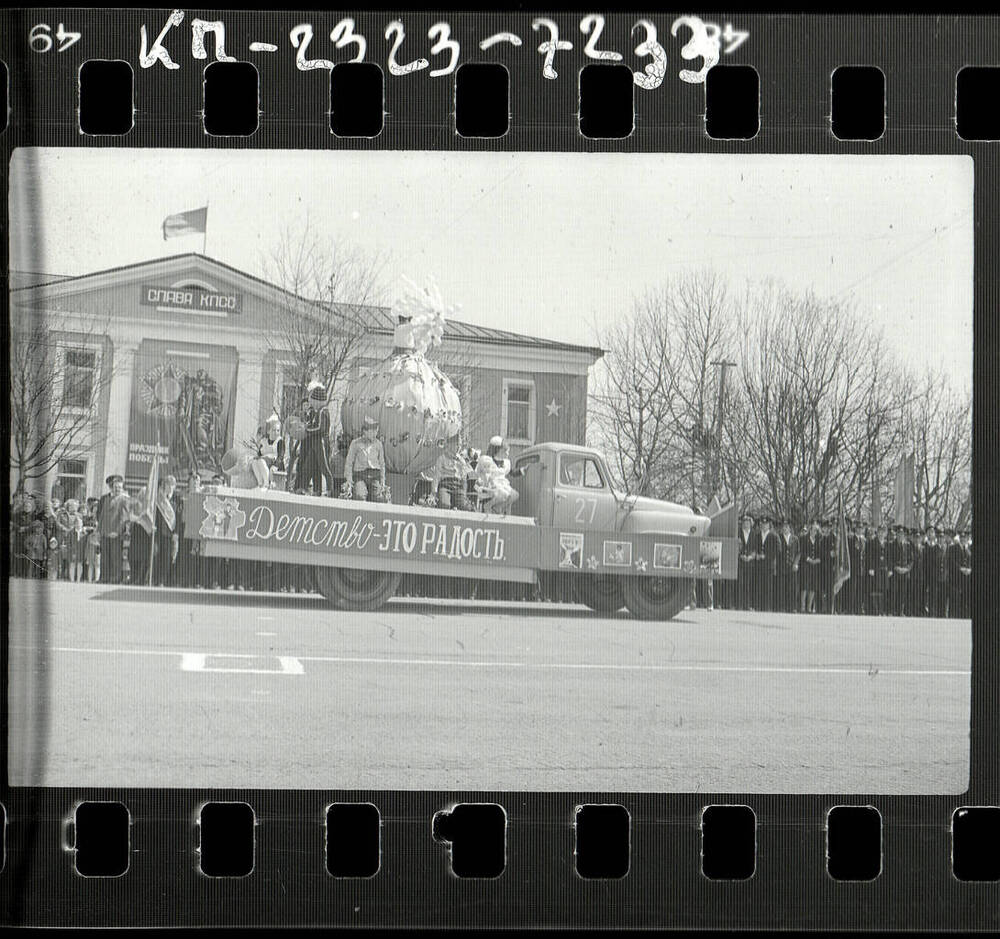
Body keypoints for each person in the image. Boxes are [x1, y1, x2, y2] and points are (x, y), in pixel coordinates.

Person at [298, 381, 334, 496]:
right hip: (315, 442)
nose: (311, 402)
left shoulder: (323, 411)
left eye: (312, 400)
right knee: (308, 465)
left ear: (318, 400)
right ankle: (304, 487)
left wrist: (307, 429)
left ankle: (329, 489)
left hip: (321, 442)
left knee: (324, 467)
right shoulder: (316, 411)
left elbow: (320, 428)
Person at [344, 416, 387, 502]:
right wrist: (349, 479)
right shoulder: (355, 443)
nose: (375, 433)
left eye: (376, 431)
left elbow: (382, 463)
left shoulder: (378, 444)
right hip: (360, 475)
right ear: (365, 431)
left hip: (375, 475)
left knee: (378, 498)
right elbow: (349, 462)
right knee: (360, 496)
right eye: (372, 431)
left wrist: (382, 480)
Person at [97, 474, 130, 584]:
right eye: (115, 487)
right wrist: (99, 531)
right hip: (104, 533)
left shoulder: (124, 500)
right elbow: (101, 516)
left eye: (119, 487)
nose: (117, 489)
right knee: (104, 557)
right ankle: (103, 578)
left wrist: (117, 532)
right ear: (112, 487)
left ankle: (115, 578)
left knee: (115, 557)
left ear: (122, 488)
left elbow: (124, 518)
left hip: (116, 534)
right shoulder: (106, 498)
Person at [476, 436, 520, 514]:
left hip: (502, 484)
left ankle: (499, 507)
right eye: (505, 451)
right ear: (498, 450)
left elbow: (512, 472)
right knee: (504, 494)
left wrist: (523, 470)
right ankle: (488, 505)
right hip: (491, 484)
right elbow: (481, 472)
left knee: (514, 494)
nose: (507, 453)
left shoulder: (506, 462)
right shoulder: (487, 460)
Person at [152, 475, 179, 587]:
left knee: (168, 557)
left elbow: (179, 517)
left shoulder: (176, 500)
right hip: (158, 532)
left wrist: (176, 532)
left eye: (172, 485)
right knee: (157, 556)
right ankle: (155, 579)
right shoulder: (158, 499)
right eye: (168, 484)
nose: (170, 487)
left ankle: (163, 580)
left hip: (170, 533)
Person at [431, 439, 473, 511]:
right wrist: (434, 492)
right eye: (456, 444)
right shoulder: (442, 458)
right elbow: (437, 476)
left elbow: (464, 478)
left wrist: (464, 493)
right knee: (444, 505)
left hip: (458, 486)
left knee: (465, 507)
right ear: (449, 445)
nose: (458, 447)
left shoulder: (461, 460)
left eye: (460, 445)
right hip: (445, 485)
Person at [758, 515, 782, 612]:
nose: (764, 526)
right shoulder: (758, 534)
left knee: (768, 587)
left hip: (769, 565)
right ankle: (760, 606)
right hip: (759, 565)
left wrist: (767, 556)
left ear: (769, 525)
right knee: (759, 586)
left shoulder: (774, 535)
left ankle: (768, 607)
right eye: (763, 524)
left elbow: (778, 550)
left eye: (766, 524)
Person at [737, 514, 760, 610]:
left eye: (748, 523)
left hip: (750, 563)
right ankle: (739, 605)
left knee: (748, 584)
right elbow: (735, 547)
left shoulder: (754, 534)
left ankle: (747, 605)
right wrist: (740, 555)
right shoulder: (738, 533)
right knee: (740, 583)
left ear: (751, 524)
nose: (746, 524)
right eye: (744, 522)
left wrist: (751, 557)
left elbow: (756, 548)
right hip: (740, 562)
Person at [800, 519, 823, 613]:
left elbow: (821, 553)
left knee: (813, 587)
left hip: (815, 566)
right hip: (806, 564)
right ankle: (802, 606)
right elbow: (802, 551)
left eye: (816, 531)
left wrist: (818, 559)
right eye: (813, 530)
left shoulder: (819, 540)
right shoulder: (804, 538)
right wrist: (809, 559)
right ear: (810, 530)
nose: (814, 532)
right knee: (805, 585)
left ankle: (809, 607)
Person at [780, 519, 800, 612]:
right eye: (784, 527)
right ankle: (783, 607)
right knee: (782, 587)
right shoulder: (779, 537)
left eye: (787, 527)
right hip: (782, 566)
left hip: (792, 566)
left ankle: (793, 607)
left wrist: (796, 563)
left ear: (790, 528)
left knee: (792, 587)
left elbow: (798, 553)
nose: (785, 528)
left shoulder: (795, 539)